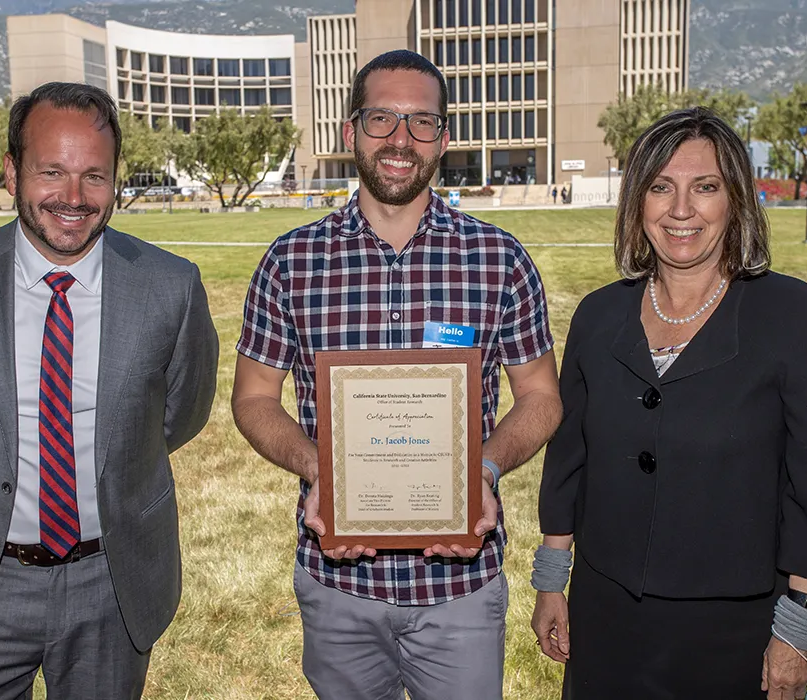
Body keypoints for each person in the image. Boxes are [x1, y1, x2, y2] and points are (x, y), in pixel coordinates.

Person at [231, 50, 562, 699]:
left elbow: (542, 396)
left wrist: (483, 472)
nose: (400, 140)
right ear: (350, 130)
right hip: (339, 587)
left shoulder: (498, 259)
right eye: (382, 118)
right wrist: (321, 469)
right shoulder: (291, 262)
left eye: (421, 122)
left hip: (460, 592)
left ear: (444, 138)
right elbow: (253, 398)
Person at [0, 82, 219, 700]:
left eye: (95, 176)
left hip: (111, 585)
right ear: (12, 172)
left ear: (116, 180)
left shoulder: (171, 287)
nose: (73, 197)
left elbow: (180, 414)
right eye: (51, 172)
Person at [530, 106, 807, 699]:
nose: (682, 209)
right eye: (660, 187)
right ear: (637, 201)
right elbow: (570, 460)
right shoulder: (598, 315)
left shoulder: (796, 318)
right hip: (606, 617)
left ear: (736, 200)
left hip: (737, 632)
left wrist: (799, 631)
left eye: (706, 187)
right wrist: (550, 581)